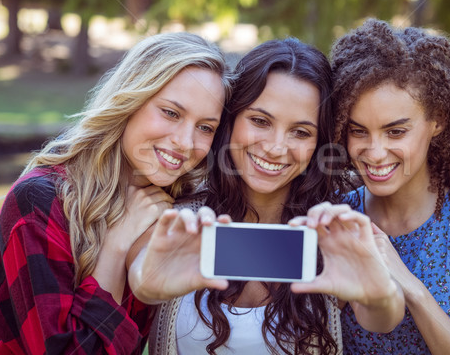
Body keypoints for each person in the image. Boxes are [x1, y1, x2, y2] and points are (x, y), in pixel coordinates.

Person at [128, 38, 405, 355]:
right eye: (260, 121)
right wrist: (148, 284)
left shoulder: (331, 230)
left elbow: (383, 318)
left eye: (300, 132)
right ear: (230, 121)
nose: (275, 148)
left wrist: (379, 296)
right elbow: (142, 277)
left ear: (319, 143)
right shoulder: (180, 217)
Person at [0, 32, 233, 354]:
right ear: (130, 101)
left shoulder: (181, 210)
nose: (185, 141)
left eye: (205, 127)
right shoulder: (40, 201)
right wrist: (116, 245)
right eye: (171, 113)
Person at [330, 18, 450, 354]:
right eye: (358, 131)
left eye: (396, 132)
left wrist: (411, 289)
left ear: (438, 121)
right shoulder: (336, 215)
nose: (374, 152)